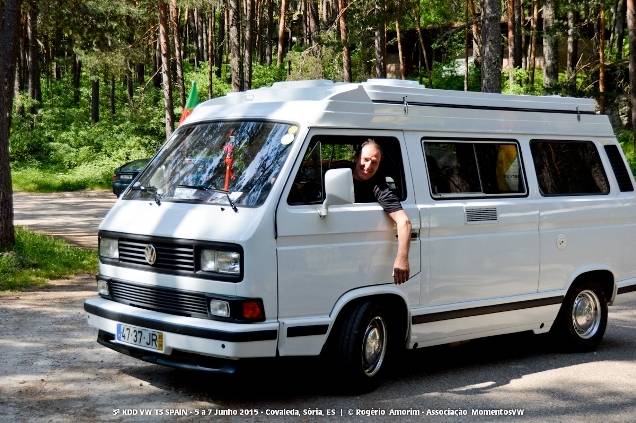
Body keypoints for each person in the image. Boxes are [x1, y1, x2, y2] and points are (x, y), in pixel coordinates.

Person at [352, 139, 411, 285]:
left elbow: (404, 222)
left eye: (374, 162)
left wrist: (401, 259)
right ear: (356, 158)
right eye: (365, 159)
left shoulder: (379, 188)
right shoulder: (337, 172)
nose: (368, 166)